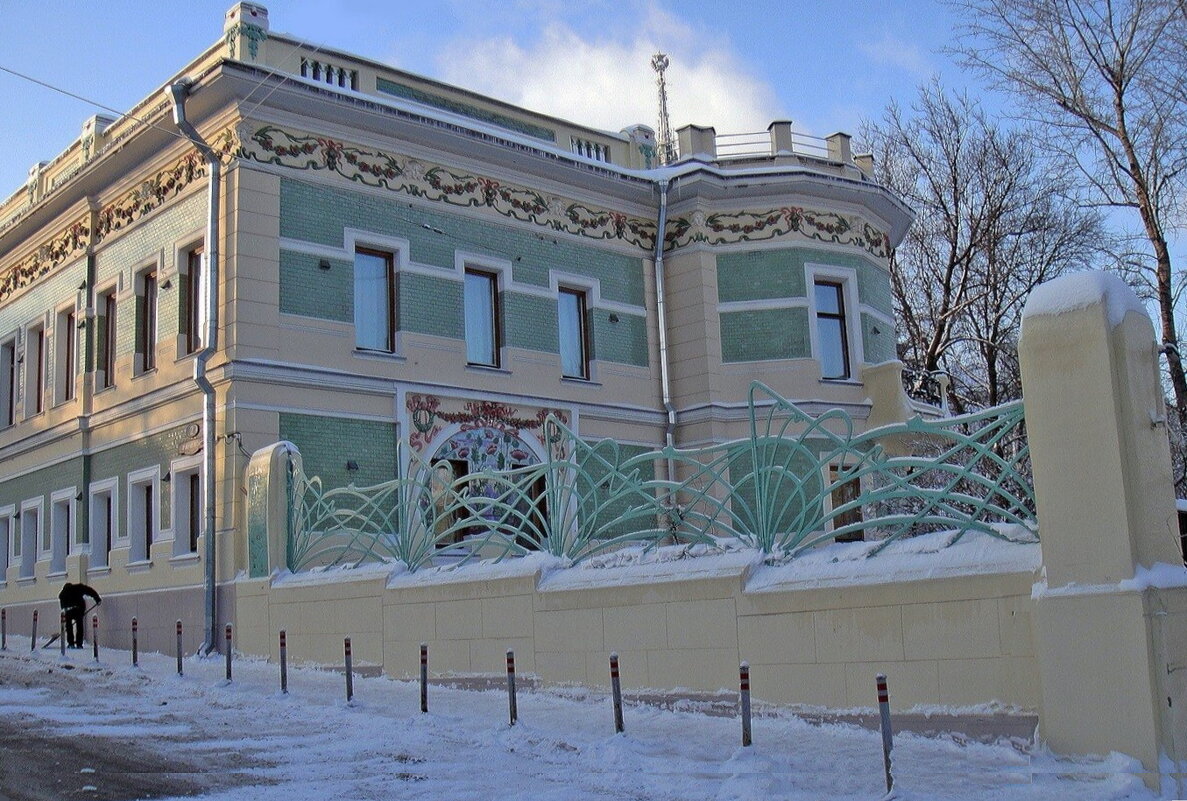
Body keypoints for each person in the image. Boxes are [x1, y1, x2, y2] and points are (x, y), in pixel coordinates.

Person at [58, 582, 101, 649]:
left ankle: (71, 643)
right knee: (79, 626)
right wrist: (97, 599)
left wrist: (65, 613)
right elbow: (90, 591)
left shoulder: (63, 593)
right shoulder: (78, 587)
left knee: (69, 627)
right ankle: (79, 644)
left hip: (69, 610)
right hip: (79, 609)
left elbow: (62, 606)